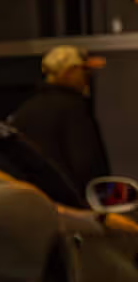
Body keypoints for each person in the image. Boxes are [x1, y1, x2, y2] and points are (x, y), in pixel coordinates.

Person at [10, 44, 110, 191]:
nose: (87, 76)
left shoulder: (25, 109)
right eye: (82, 70)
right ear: (69, 72)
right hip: (71, 203)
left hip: (34, 198)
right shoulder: (73, 109)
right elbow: (87, 164)